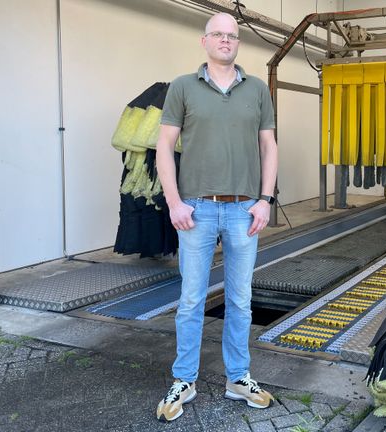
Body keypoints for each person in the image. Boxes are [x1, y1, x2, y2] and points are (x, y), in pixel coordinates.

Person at [154, 12, 278, 422]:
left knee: (240, 302)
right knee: (191, 300)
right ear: (204, 41)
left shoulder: (257, 90)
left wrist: (265, 199)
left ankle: (238, 378)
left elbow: (269, 147)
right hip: (198, 209)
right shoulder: (183, 88)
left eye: (232, 35)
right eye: (218, 35)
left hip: (245, 210)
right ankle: (183, 379)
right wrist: (174, 202)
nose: (226, 40)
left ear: (237, 43)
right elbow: (164, 148)